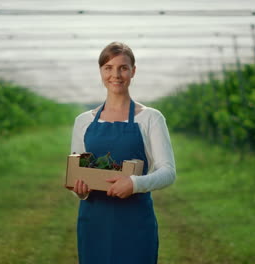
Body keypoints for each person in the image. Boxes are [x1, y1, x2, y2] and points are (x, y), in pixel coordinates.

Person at [70, 41, 176, 264]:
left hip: (135, 219)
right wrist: (79, 191)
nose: (115, 75)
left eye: (123, 68)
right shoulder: (83, 122)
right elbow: (77, 173)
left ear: (133, 71)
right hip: (94, 220)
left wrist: (134, 184)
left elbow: (168, 172)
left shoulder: (150, 118)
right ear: (101, 71)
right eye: (108, 67)